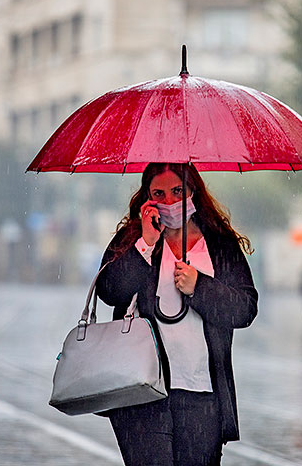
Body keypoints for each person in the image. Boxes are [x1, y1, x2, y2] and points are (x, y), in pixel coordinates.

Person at [96, 163, 258, 465]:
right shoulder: (134, 239)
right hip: (141, 393)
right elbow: (109, 291)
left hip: (203, 398)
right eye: (159, 193)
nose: (169, 201)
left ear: (192, 191)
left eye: (177, 191)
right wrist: (145, 244)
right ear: (147, 198)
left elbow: (245, 308)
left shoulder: (219, 244)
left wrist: (200, 287)